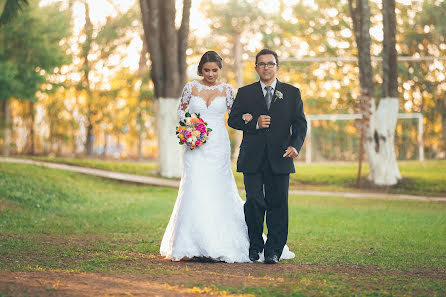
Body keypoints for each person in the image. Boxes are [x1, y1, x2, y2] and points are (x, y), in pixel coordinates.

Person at [160, 50, 295, 263]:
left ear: (220, 70)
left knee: (218, 188)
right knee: (194, 187)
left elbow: (234, 115)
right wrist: (191, 126)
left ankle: (228, 242)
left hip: (218, 145)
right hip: (195, 143)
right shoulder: (191, 87)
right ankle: (190, 243)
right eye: (207, 70)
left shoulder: (227, 90)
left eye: (215, 70)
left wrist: (246, 117)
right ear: (200, 70)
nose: (211, 74)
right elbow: (181, 111)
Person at [228, 48, 307, 264]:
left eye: (270, 64)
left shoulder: (292, 92)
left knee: (278, 204)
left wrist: (295, 146)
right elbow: (233, 120)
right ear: (256, 68)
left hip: (281, 157)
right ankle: (255, 245)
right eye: (261, 64)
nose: (266, 67)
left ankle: (274, 250)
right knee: (254, 201)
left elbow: (300, 125)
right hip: (252, 157)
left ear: (277, 67)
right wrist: (253, 123)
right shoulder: (245, 92)